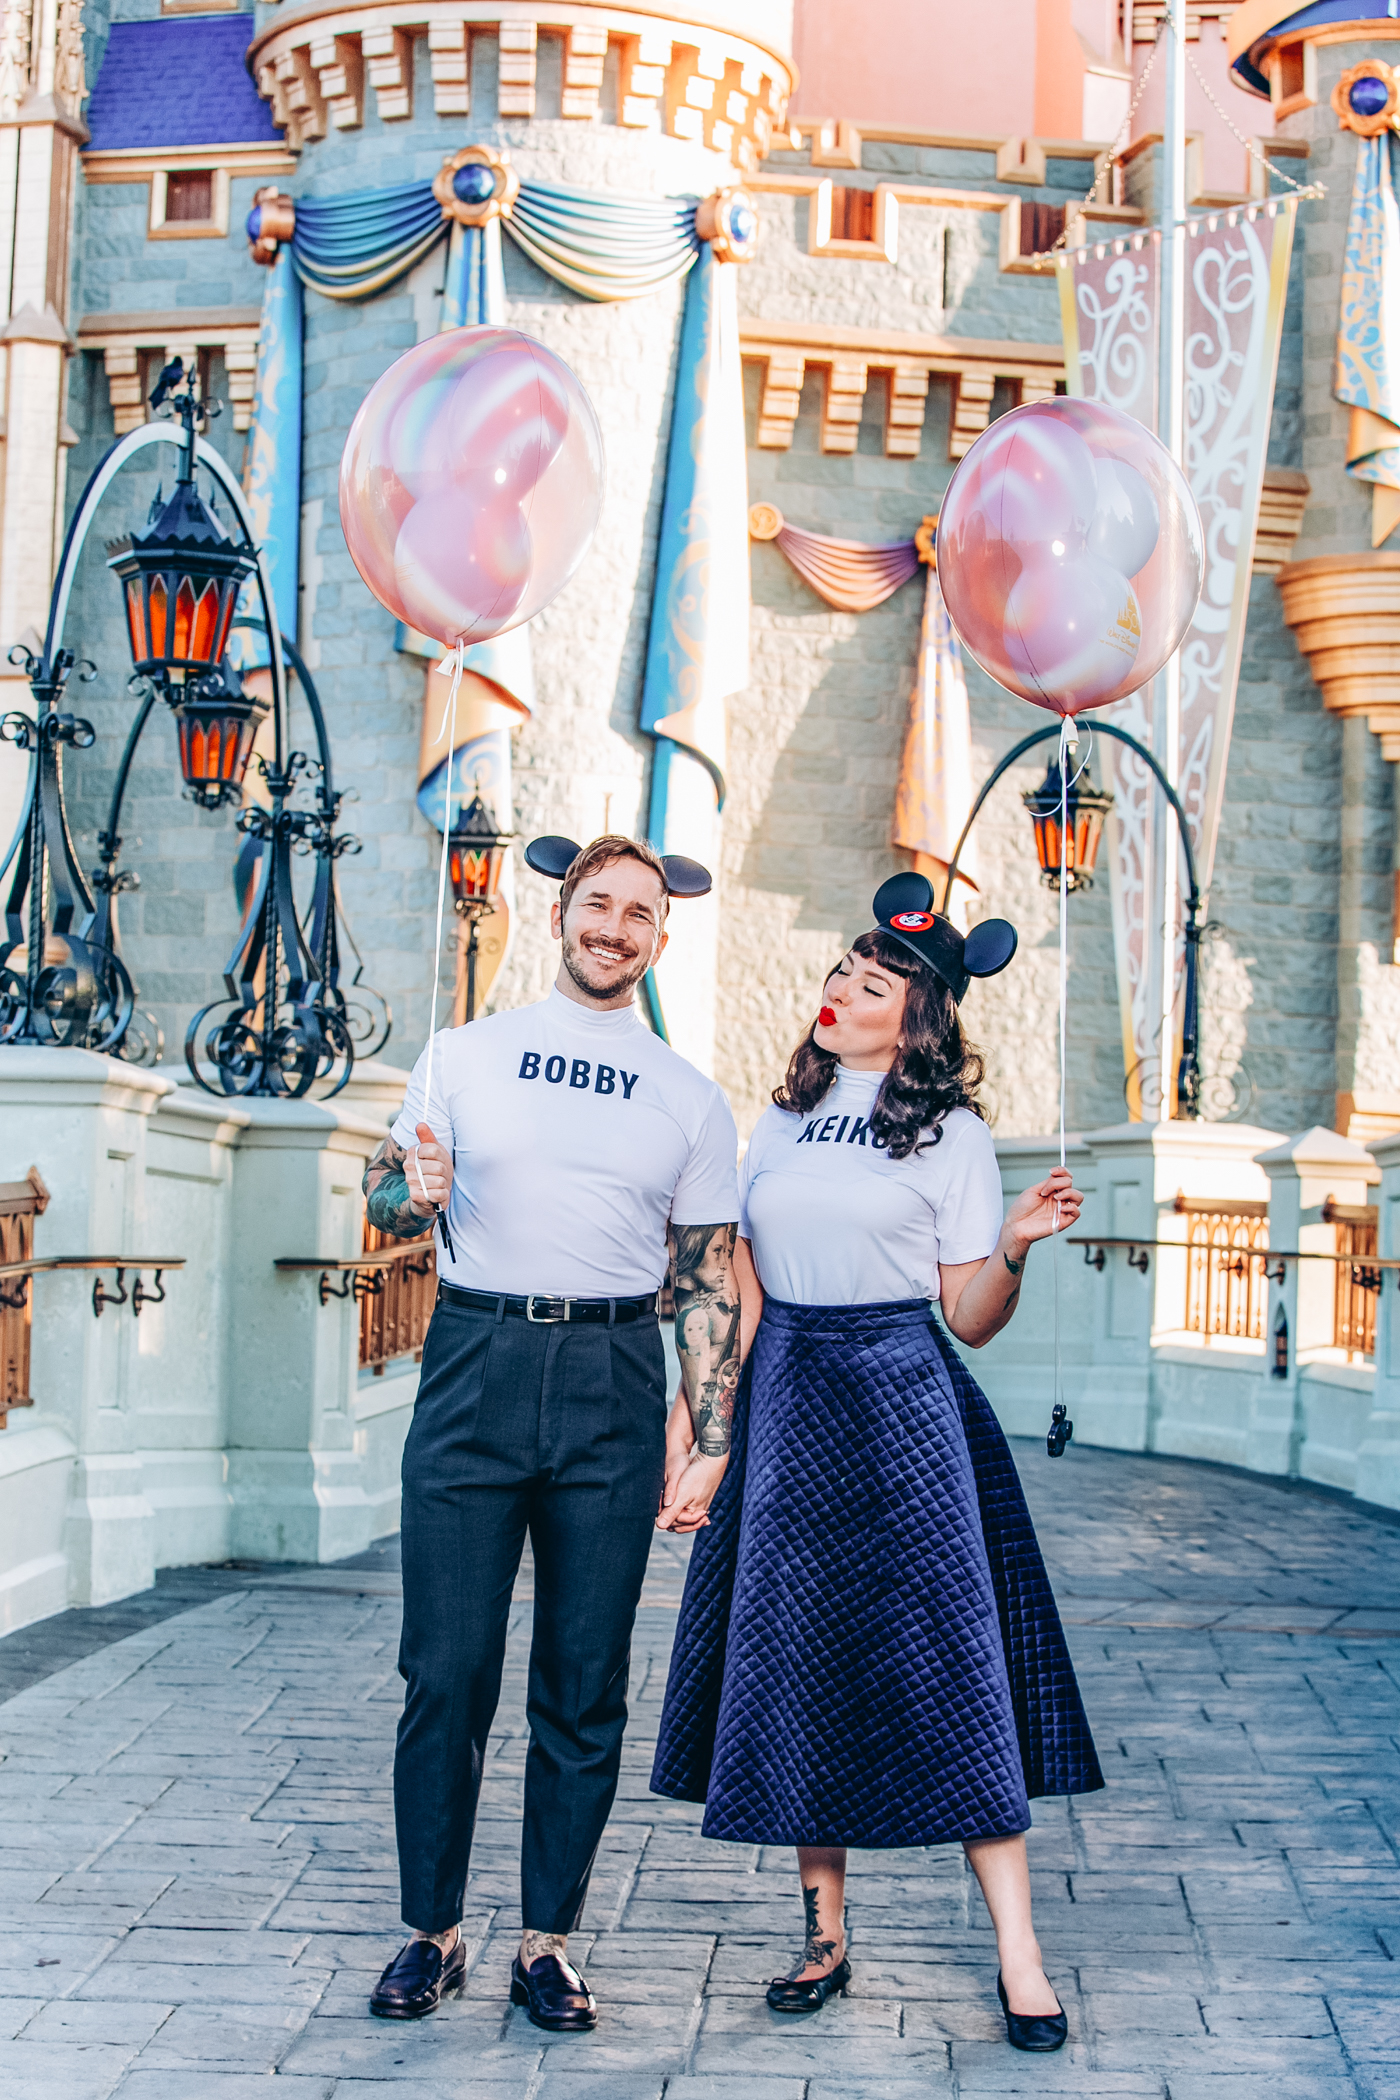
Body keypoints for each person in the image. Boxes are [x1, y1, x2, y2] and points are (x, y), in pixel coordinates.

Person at [651, 873, 1105, 2054]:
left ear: (916, 1019)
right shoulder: (780, 1121)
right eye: (836, 975)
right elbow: (739, 1291)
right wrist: (703, 1435)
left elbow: (969, 1316)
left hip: (905, 1404)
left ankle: (1017, 1951)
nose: (836, 991)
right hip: (791, 1403)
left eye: (866, 983)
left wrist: (1008, 1244)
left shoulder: (951, 1134)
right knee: (801, 1661)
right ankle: (822, 1937)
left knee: (954, 1668)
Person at [362, 834, 741, 2033]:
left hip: (612, 1381)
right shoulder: (460, 1054)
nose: (613, 928)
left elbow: (706, 1280)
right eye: (596, 905)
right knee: (446, 1670)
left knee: (582, 1687)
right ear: (561, 913)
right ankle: (432, 1931)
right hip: (474, 1363)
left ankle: (546, 1942)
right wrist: (405, 1188)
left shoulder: (688, 1094)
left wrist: (712, 1432)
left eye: (637, 913)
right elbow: (382, 1197)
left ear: (658, 938)